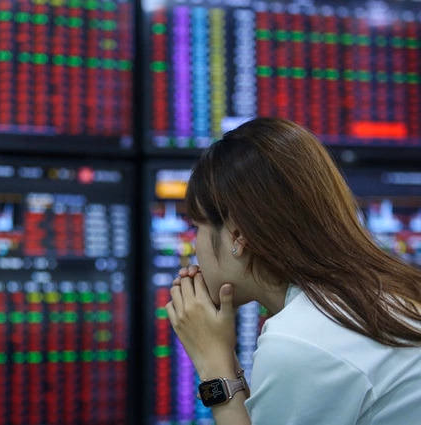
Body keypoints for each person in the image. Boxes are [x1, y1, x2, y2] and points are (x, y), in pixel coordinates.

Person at [166, 117, 421, 425]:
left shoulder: (299, 342)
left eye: (197, 227)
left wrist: (212, 364)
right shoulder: (375, 295)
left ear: (237, 236)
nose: (195, 245)